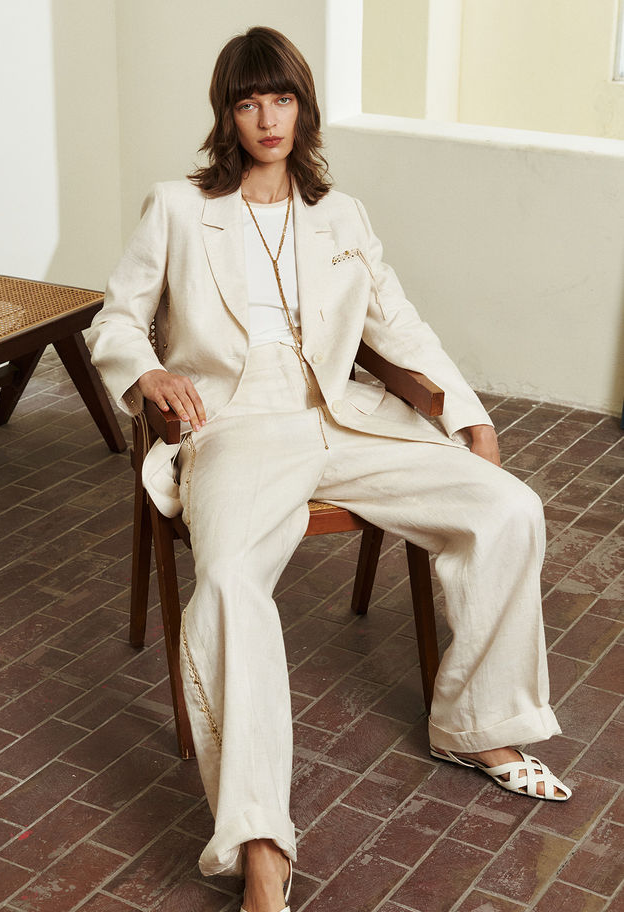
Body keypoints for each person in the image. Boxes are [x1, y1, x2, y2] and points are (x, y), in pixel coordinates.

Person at [88, 26, 570, 912]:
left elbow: (398, 324)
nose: (267, 118)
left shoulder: (341, 215)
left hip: (343, 416)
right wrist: (147, 374)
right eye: (248, 102)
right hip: (235, 424)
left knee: (509, 507)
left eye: (282, 99)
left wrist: (468, 414)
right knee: (228, 581)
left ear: (303, 108)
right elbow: (115, 320)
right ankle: (258, 840)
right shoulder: (178, 207)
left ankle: (479, 724)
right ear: (227, 115)